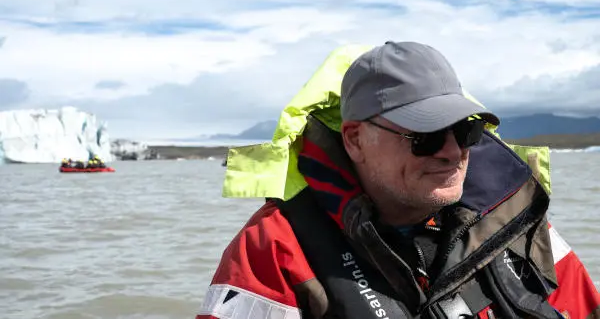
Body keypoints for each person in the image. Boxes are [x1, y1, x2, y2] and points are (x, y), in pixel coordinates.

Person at [197, 42, 600, 319]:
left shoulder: (520, 220)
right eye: (423, 136)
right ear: (355, 140)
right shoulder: (276, 248)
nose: (452, 151)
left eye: (466, 132)